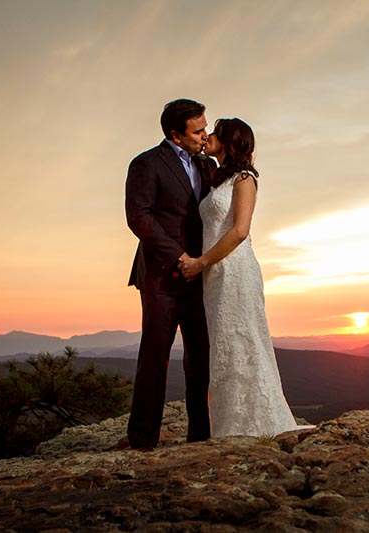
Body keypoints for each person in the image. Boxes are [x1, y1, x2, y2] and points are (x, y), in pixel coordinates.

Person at [179, 118, 313, 437]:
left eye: (214, 133)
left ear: (228, 141)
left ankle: (254, 421)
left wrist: (200, 263)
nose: (207, 136)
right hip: (216, 273)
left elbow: (240, 231)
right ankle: (229, 422)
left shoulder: (244, 178)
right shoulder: (217, 178)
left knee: (243, 338)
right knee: (225, 344)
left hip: (234, 269)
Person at [125, 99, 217, 449]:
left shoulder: (207, 165)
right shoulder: (146, 164)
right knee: (156, 355)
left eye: (205, 127)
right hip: (162, 275)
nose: (204, 135)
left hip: (200, 274)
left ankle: (200, 435)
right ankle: (143, 438)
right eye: (198, 130)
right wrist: (179, 257)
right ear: (176, 135)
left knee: (201, 355)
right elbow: (139, 218)